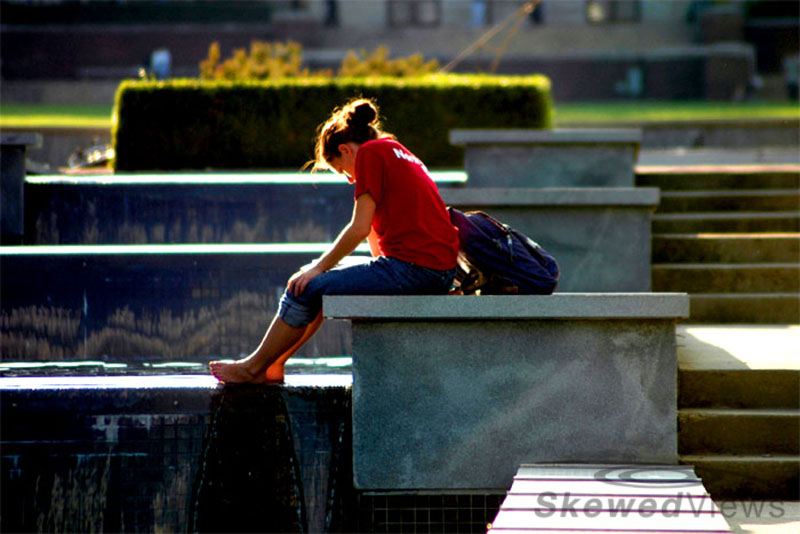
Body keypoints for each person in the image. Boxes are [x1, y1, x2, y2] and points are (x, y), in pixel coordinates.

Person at [209, 98, 459, 383]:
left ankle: (252, 367)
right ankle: (274, 364)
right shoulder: (397, 150)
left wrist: (318, 269)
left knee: (305, 285)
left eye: (342, 170)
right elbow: (374, 233)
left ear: (344, 150)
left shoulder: (369, 155)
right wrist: (329, 268)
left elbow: (357, 227)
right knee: (318, 279)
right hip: (436, 270)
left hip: (414, 270)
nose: (350, 180)